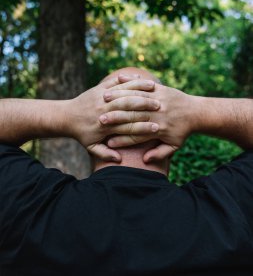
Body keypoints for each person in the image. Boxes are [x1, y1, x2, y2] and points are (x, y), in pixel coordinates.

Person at [0, 67, 253, 276]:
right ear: (169, 136)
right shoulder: (228, 216)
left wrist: (66, 114)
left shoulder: (29, 210)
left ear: (89, 135)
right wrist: (196, 111)